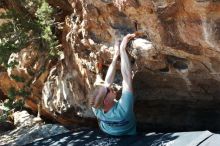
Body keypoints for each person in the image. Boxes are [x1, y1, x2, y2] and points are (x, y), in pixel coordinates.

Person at [90, 33, 136, 136]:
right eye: (108, 90)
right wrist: (123, 49)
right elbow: (127, 78)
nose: (110, 87)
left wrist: (116, 55)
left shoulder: (96, 107)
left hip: (107, 131)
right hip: (128, 135)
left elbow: (107, 82)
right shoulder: (123, 110)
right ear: (106, 101)